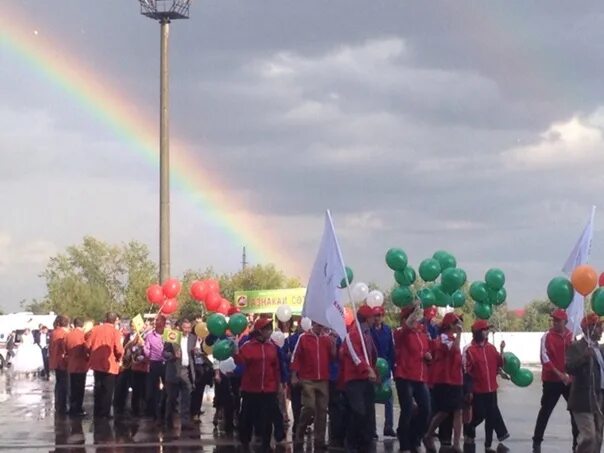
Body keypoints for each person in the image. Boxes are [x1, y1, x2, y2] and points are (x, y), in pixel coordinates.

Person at [235, 317, 284, 451]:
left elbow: (276, 367)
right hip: (251, 388)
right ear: (260, 331)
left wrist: (278, 385)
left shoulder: (272, 347)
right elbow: (240, 361)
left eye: (270, 328)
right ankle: (244, 440)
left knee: (267, 418)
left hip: (268, 388)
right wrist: (234, 352)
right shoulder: (248, 346)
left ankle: (266, 444)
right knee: (247, 416)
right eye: (267, 329)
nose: (269, 331)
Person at [532, 309, 577, 453]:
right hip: (551, 380)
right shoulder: (547, 336)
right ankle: (537, 441)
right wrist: (559, 374)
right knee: (545, 410)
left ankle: (577, 442)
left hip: (568, 380)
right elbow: (545, 358)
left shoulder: (571, 336)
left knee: (574, 411)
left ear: (565, 322)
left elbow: (575, 358)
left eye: (558, 320)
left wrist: (570, 376)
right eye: (554, 320)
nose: (555, 322)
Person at [462, 320, 510, 453]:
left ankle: (488, 444)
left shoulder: (491, 348)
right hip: (478, 389)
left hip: (492, 388)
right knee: (481, 414)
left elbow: (499, 363)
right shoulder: (469, 350)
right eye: (484, 330)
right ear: (477, 332)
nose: (487, 332)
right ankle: (469, 429)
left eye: (487, 329)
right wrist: (469, 390)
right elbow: (466, 371)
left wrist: (501, 349)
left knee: (491, 416)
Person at [291, 321, 336, 450]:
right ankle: (300, 429)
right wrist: (294, 375)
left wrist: (333, 346)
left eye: (321, 324)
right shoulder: (303, 337)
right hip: (307, 379)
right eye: (317, 324)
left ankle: (319, 440)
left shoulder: (326, 339)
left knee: (322, 410)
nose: (320, 327)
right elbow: (296, 356)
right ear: (313, 324)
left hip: (323, 378)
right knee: (309, 407)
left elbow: (333, 357)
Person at [393, 303, 432, 453]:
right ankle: (404, 443)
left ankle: (415, 436)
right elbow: (406, 327)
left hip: (420, 377)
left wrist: (428, 356)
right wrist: (413, 314)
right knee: (407, 409)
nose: (416, 319)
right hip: (405, 376)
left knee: (426, 409)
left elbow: (426, 352)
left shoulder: (422, 334)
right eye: (413, 316)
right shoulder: (401, 333)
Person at [424, 312, 464, 453]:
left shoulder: (452, 338)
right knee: (445, 411)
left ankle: (457, 443)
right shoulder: (443, 338)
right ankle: (429, 434)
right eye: (456, 322)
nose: (458, 324)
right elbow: (454, 350)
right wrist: (459, 335)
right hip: (445, 380)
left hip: (456, 380)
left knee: (458, 411)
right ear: (449, 325)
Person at [341, 304, 378, 453]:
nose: (375, 320)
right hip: (354, 379)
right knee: (359, 411)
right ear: (367, 318)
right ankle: (349, 440)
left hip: (366, 380)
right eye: (373, 317)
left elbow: (371, 355)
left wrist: (374, 370)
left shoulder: (367, 334)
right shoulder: (352, 335)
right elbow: (356, 356)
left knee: (368, 411)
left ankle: (364, 441)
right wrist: (367, 369)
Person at [566, 313, 604, 453]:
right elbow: (569, 368)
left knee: (598, 437)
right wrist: (584, 357)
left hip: (599, 399)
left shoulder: (600, 349)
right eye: (599, 327)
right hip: (583, 399)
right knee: (589, 437)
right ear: (590, 328)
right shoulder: (576, 347)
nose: (602, 330)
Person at [86, 312, 124, 418]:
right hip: (109, 363)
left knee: (98, 387)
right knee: (108, 390)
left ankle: (97, 411)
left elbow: (87, 345)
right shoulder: (115, 332)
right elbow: (119, 349)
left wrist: (91, 354)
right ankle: (104, 413)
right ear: (115, 320)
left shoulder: (95, 329)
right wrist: (119, 358)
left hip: (96, 363)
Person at [164, 319, 197, 429]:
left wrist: (196, 352)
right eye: (185, 328)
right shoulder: (172, 336)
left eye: (189, 328)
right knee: (172, 398)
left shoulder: (193, 338)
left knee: (187, 396)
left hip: (186, 371)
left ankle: (185, 421)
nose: (187, 330)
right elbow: (164, 353)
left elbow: (194, 351)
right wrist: (173, 356)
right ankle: (168, 419)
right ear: (180, 327)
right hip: (173, 370)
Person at [371, 306, 397, 439]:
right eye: (376, 315)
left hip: (386, 367)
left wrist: (392, 368)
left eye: (380, 315)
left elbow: (392, 350)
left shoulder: (388, 330)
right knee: (371, 399)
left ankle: (388, 426)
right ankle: (372, 429)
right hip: (373, 368)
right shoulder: (369, 331)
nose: (378, 318)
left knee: (389, 398)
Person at [144, 315, 167, 421]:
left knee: (167, 388)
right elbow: (146, 349)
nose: (155, 322)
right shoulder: (149, 335)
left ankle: (165, 410)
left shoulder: (169, 334)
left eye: (158, 320)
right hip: (154, 363)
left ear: (163, 322)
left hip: (166, 363)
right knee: (153, 388)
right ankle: (153, 412)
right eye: (155, 321)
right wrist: (148, 355)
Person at [65, 318, 89, 416]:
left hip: (71, 364)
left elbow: (65, 348)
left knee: (72, 387)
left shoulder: (68, 335)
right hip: (81, 364)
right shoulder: (83, 335)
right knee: (80, 388)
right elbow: (86, 349)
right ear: (82, 325)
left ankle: (72, 407)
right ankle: (78, 408)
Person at [50, 315, 70, 415]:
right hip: (63, 361)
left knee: (58, 384)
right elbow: (65, 348)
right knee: (65, 385)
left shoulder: (53, 332)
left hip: (55, 361)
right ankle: (63, 406)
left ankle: (58, 405)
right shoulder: (64, 333)